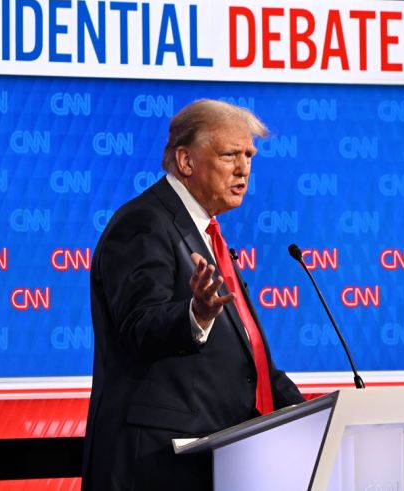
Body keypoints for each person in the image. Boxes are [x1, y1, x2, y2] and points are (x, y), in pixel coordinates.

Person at [82, 99, 305, 491]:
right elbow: (138, 326)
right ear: (186, 161)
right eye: (229, 155)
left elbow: (248, 359)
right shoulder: (143, 223)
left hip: (214, 463)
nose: (244, 168)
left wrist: (312, 413)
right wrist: (195, 314)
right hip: (155, 466)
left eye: (249, 155)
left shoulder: (204, 233)